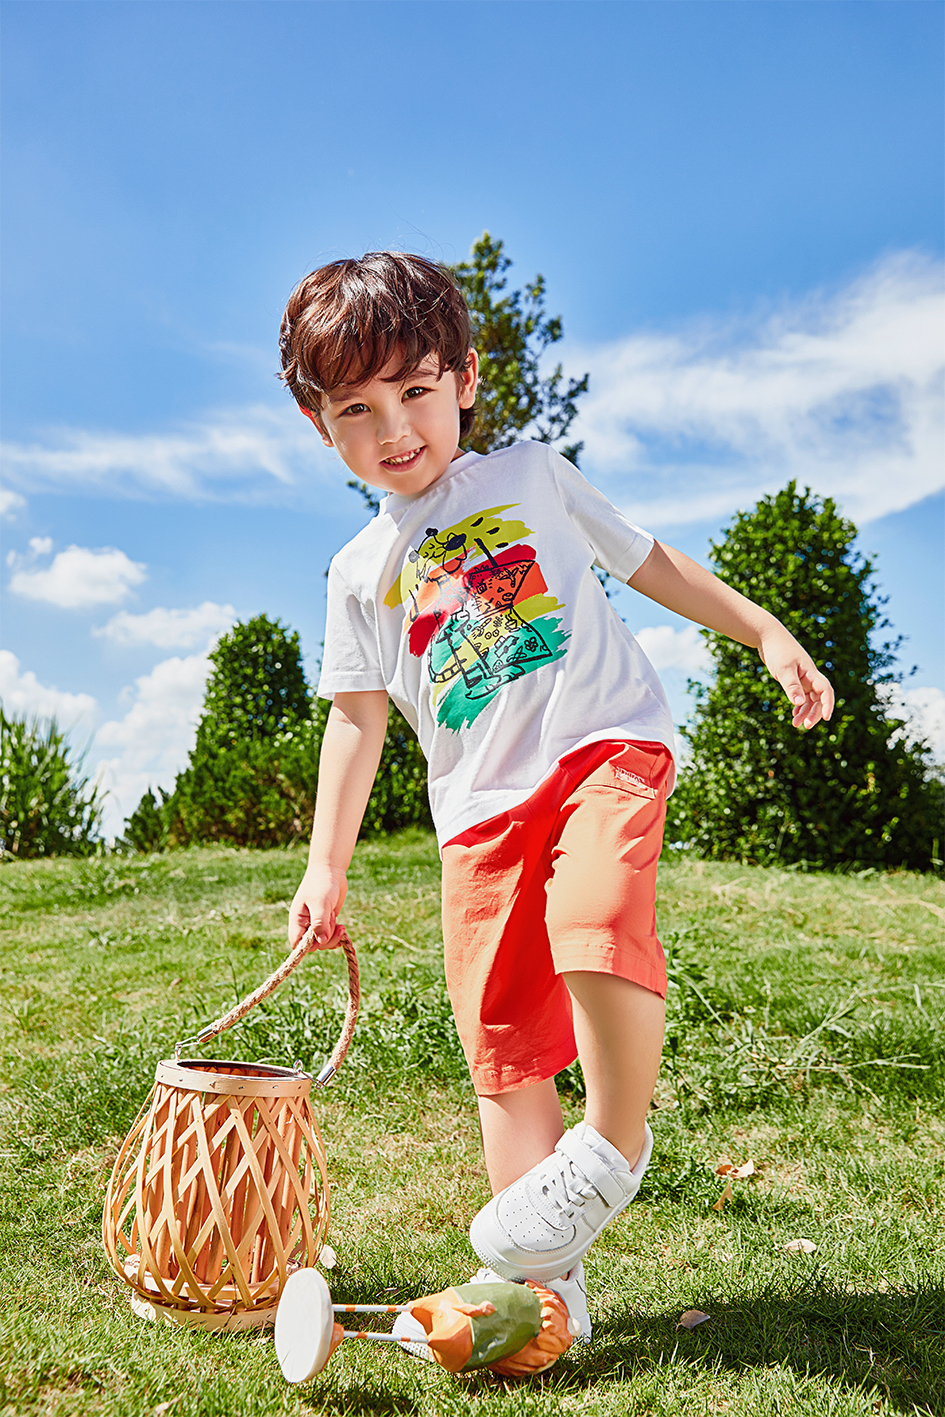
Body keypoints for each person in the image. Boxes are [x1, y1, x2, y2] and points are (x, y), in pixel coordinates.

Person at [279, 251, 834, 1342]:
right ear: (320, 427)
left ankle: (615, 1142)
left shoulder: (532, 473)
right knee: (505, 1047)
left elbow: (649, 561)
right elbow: (358, 718)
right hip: (477, 817)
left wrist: (764, 628)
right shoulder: (356, 571)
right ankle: (546, 1296)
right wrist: (324, 862)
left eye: (417, 390)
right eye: (359, 407)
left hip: (600, 749)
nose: (395, 426)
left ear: (467, 378)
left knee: (593, 920)